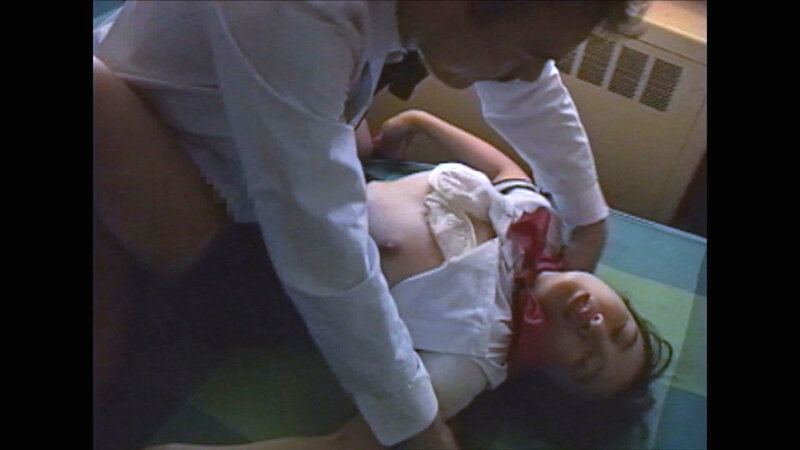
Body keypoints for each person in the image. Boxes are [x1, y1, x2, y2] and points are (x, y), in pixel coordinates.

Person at [93, 2, 650, 448]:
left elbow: (527, 88)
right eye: (529, 53)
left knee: (354, 141)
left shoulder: (480, 352)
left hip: (245, 254)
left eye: (586, 360)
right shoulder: (294, 14)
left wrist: (589, 218)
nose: (529, 72)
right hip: (218, 183)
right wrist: (408, 417)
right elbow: (317, 228)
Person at [145, 109, 672, 450]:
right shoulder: (540, 228)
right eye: (621, 330)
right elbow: (506, 169)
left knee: (112, 100)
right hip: (322, 181)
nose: (596, 329)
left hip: (249, 267)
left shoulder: (474, 357)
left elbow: (350, 443)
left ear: (540, 374)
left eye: (585, 361)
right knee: (344, 110)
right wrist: (421, 121)